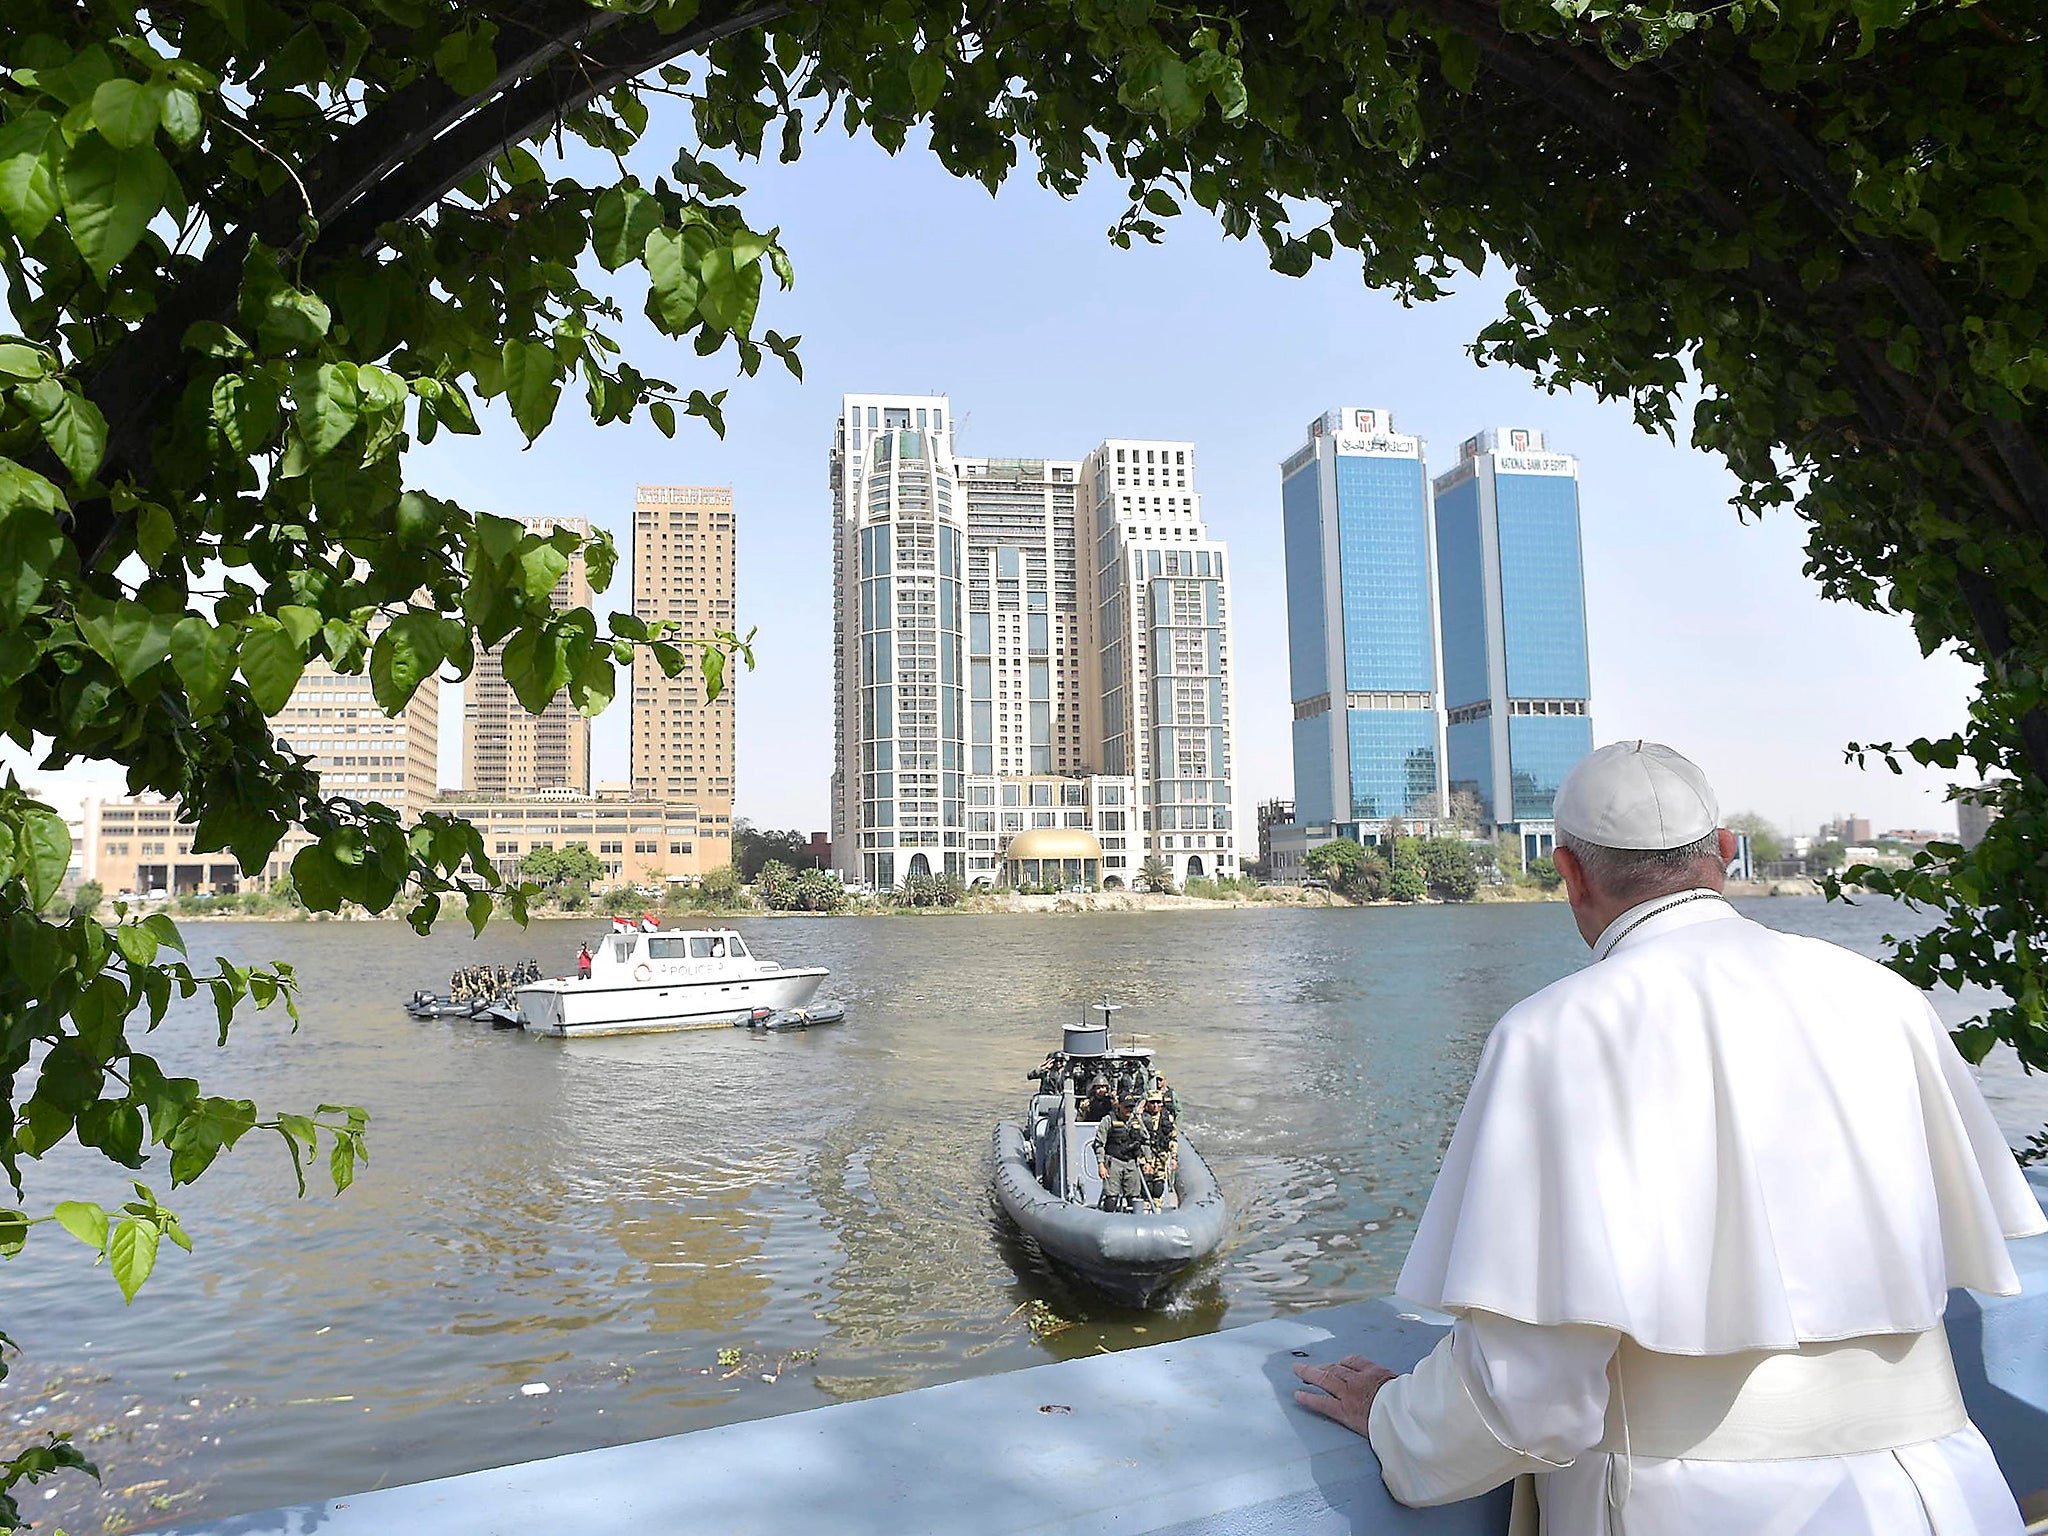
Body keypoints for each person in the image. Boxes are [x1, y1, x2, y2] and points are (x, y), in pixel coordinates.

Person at [1292, 740, 2046, 1535]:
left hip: (1689, 1508)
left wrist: (1398, 1420)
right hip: (1939, 1494)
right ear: (1724, 853)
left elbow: (1529, 1397)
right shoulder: (1885, 998)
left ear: (1571, 875)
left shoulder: (1556, 1032)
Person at [1095, 1099, 1150, 1213]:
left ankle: (1134, 1222)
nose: (1129, 1110)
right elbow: (1099, 1143)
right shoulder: (1108, 1120)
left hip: (1131, 1163)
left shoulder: (1136, 1122)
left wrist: (1148, 1161)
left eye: (1131, 1107)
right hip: (1114, 1162)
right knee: (1111, 1197)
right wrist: (1101, 1164)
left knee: (1134, 1197)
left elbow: (1145, 1141)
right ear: (1119, 1106)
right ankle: (1108, 1219)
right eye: (1126, 1107)